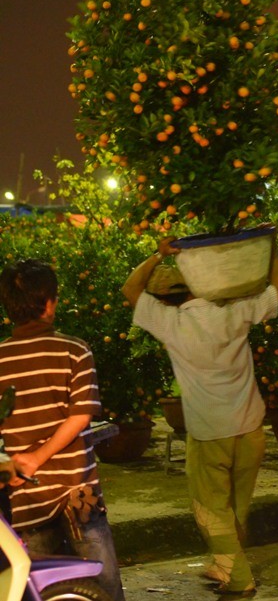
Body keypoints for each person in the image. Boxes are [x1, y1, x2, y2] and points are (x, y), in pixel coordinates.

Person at [122, 234, 278, 596]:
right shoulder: (235, 312)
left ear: (167, 298)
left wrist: (158, 253)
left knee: (211, 511)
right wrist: (269, 249)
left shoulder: (170, 323)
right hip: (250, 429)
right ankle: (224, 565)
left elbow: (130, 288)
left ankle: (240, 579)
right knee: (234, 510)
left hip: (210, 432)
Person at [0, 258, 125, 601]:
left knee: (36, 589)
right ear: (50, 303)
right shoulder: (74, 350)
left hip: (26, 496)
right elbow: (80, 417)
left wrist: (21, 462)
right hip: (77, 492)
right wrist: (39, 457)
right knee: (105, 586)